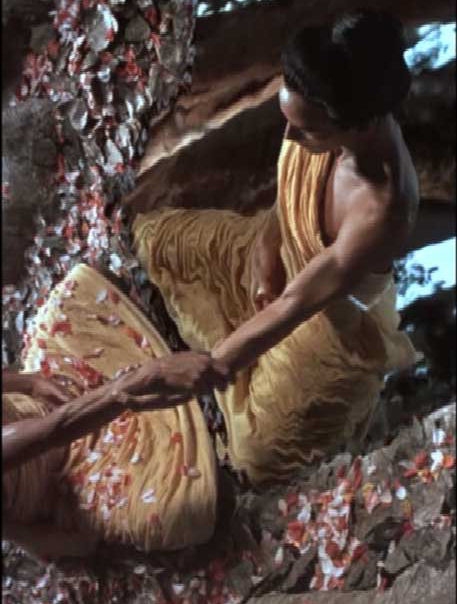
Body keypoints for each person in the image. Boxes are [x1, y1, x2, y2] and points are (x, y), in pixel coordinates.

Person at [129, 10, 420, 484]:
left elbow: (294, 303)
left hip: (321, 319)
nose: (290, 137)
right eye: (289, 121)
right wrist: (267, 244)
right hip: (279, 246)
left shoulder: (382, 208)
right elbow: (290, 197)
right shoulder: (321, 111)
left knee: (257, 452)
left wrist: (210, 368)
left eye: (307, 131)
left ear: (358, 126)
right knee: (152, 240)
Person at [2, 263, 231, 561]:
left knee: (73, 294)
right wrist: (145, 379)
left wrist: (32, 383)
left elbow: (44, 406)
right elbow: (56, 430)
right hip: (70, 475)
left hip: (56, 399)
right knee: (177, 512)